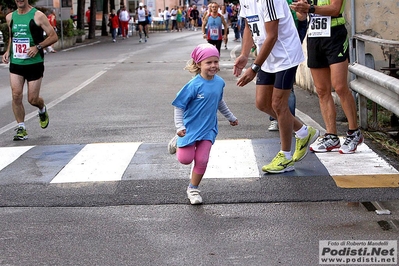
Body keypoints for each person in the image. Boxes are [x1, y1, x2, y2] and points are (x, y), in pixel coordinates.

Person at [233, 0, 319, 173]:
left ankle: (286, 157)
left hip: (285, 55)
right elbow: (250, 26)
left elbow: (273, 35)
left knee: (279, 104)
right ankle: (303, 132)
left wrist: (254, 68)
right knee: (262, 103)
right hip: (267, 56)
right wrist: (244, 54)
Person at [290, 0, 363, 154]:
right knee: (322, 90)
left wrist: (309, 8)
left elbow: (335, 9)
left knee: (340, 86)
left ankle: (354, 132)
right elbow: (301, 16)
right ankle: (331, 135)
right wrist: (301, 11)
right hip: (315, 35)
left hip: (335, 34)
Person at [171, 43, 238, 205]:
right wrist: (180, 127)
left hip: (208, 128)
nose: (213, 66)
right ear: (198, 64)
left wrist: (230, 117)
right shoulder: (193, 85)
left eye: (216, 61)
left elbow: (219, 102)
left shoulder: (219, 82)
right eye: (208, 62)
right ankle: (176, 141)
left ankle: (193, 189)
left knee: (202, 160)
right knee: (185, 159)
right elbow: (179, 106)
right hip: (190, 129)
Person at [1, 0, 58, 141]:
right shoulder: (10, 17)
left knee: (32, 99)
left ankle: (42, 108)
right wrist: (8, 51)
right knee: (16, 95)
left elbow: (53, 36)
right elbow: (12, 36)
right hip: (16, 62)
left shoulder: (38, 16)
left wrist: (38, 47)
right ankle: (21, 127)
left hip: (34, 62)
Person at [267, 0, 308, 132]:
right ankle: (276, 119)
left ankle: (288, 120)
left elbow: (302, 20)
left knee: (287, 88)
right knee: (270, 87)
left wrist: (297, 42)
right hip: (271, 46)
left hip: (287, 48)